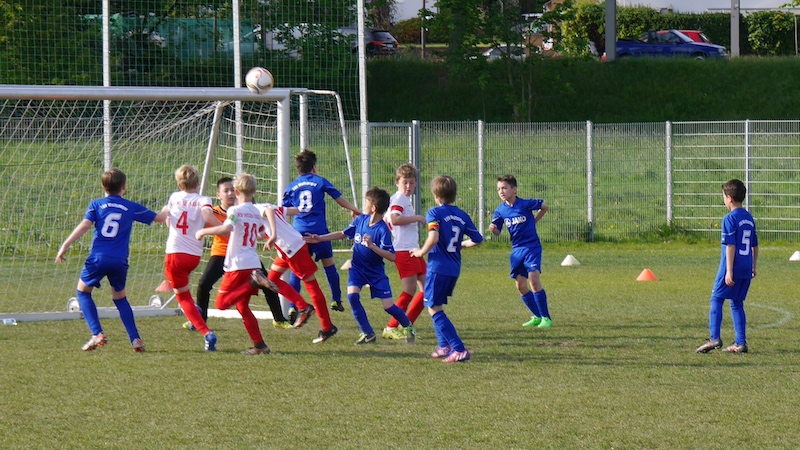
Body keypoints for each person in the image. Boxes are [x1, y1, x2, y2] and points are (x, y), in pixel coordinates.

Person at [55, 168, 167, 352]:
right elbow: (161, 219)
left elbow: (84, 225)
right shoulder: (130, 206)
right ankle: (135, 339)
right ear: (124, 187)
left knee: (83, 292)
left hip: (98, 258)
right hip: (120, 261)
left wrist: (65, 245)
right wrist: (168, 207)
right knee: (120, 298)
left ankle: (97, 333)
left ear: (103, 187)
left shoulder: (96, 205)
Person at [305, 187, 416, 345]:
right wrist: (319, 238)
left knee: (388, 306)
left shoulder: (382, 229)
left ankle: (407, 325)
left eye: (366, 202)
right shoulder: (361, 220)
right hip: (357, 269)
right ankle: (368, 333)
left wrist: (373, 246)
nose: (364, 205)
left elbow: (392, 256)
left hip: (375, 273)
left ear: (374, 208)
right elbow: (343, 233)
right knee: (352, 296)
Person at [192, 177, 291, 332]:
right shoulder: (214, 213)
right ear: (218, 195)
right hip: (222, 254)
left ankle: (279, 319)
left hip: (241, 256)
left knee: (265, 285)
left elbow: (254, 231)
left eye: (232, 190)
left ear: (237, 192)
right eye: (226, 191)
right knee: (204, 284)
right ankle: (200, 320)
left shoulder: (241, 211)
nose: (230, 193)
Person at [411, 175, 483, 363]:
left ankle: (459, 349)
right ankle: (444, 346)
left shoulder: (434, 213)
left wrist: (420, 252)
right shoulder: (462, 215)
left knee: (433, 309)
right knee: (437, 305)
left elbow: (433, 238)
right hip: (453, 268)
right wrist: (461, 245)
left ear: (436, 195)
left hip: (438, 268)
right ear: (454, 195)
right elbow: (478, 239)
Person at [282, 149, 361, 313]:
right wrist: (354, 209)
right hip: (319, 231)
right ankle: (336, 300)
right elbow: (339, 200)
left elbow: (283, 210)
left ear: (298, 169)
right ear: (314, 167)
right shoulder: (319, 181)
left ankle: (292, 306)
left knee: (297, 271)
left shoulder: (291, 186)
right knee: (329, 265)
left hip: (299, 232)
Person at [256, 201, 339, 344]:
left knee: (312, 286)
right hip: (288, 249)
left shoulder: (256, 208)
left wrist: (274, 234)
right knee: (271, 280)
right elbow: (293, 211)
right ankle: (303, 307)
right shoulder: (266, 206)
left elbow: (269, 212)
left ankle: (327, 327)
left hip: (292, 249)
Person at [163, 165, 221, 352]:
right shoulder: (203, 199)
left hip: (175, 253)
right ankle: (195, 310)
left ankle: (206, 333)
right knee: (182, 289)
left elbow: (168, 220)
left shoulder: (174, 197)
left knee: (183, 298)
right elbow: (208, 217)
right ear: (198, 182)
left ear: (179, 183)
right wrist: (224, 227)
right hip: (194, 256)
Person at [695, 179, 758, 354]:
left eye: (723, 196)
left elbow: (730, 245)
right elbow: (755, 245)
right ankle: (740, 343)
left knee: (716, 298)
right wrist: (753, 266)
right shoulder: (749, 217)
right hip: (746, 267)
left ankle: (714, 338)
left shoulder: (729, 218)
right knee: (737, 303)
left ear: (729, 198)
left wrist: (729, 271)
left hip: (731, 267)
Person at [488, 174, 553, 329]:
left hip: (532, 247)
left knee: (534, 280)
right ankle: (537, 316)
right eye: (499, 189)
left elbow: (544, 207)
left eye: (504, 188)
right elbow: (497, 232)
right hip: (517, 250)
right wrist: (493, 229)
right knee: (521, 286)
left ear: (514, 190)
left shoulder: (525, 204)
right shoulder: (501, 210)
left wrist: (534, 221)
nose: (501, 191)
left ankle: (546, 318)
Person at [382, 164, 427, 340]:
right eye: (405, 182)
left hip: (412, 249)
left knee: (427, 290)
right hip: (404, 250)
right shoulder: (399, 198)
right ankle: (391, 326)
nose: (408, 186)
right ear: (397, 182)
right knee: (409, 291)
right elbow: (395, 219)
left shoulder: (401, 199)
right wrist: (418, 218)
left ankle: (406, 325)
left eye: (412, 182)